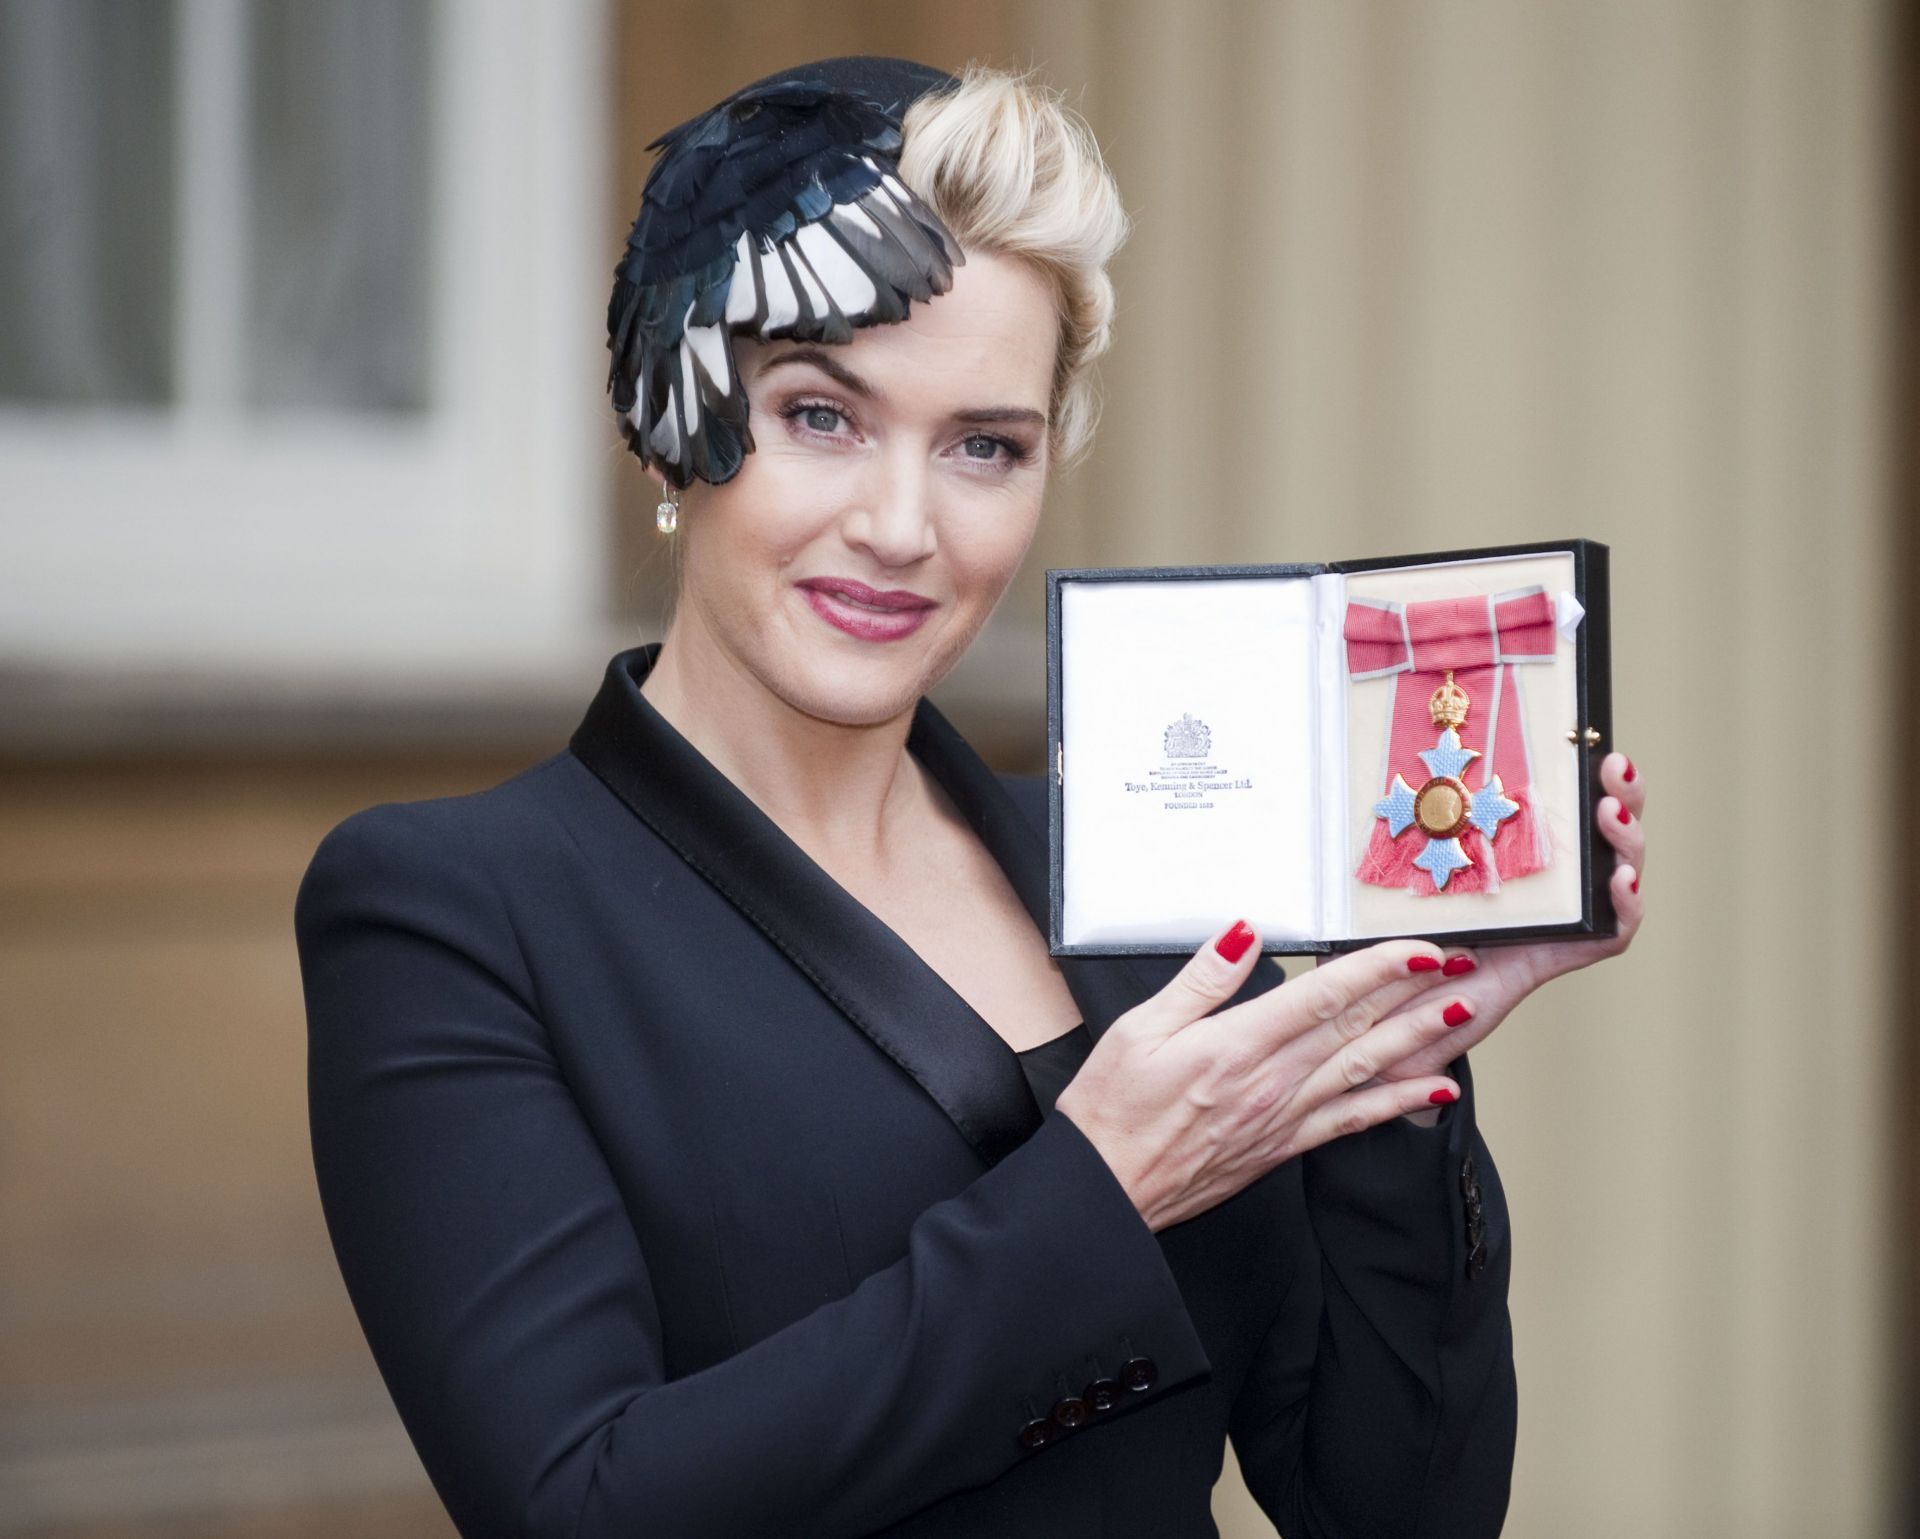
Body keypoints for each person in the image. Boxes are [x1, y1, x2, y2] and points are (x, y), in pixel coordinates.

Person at [294, 56, 1647, 1539]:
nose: (900, 527)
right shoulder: (447, 912)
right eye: (823, 416)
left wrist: (1400, 1051)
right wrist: (1100, 1193)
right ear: (674, 417)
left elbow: (1399, 1510)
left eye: (984, 447)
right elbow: (581, 1506)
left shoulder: (1142, 868)